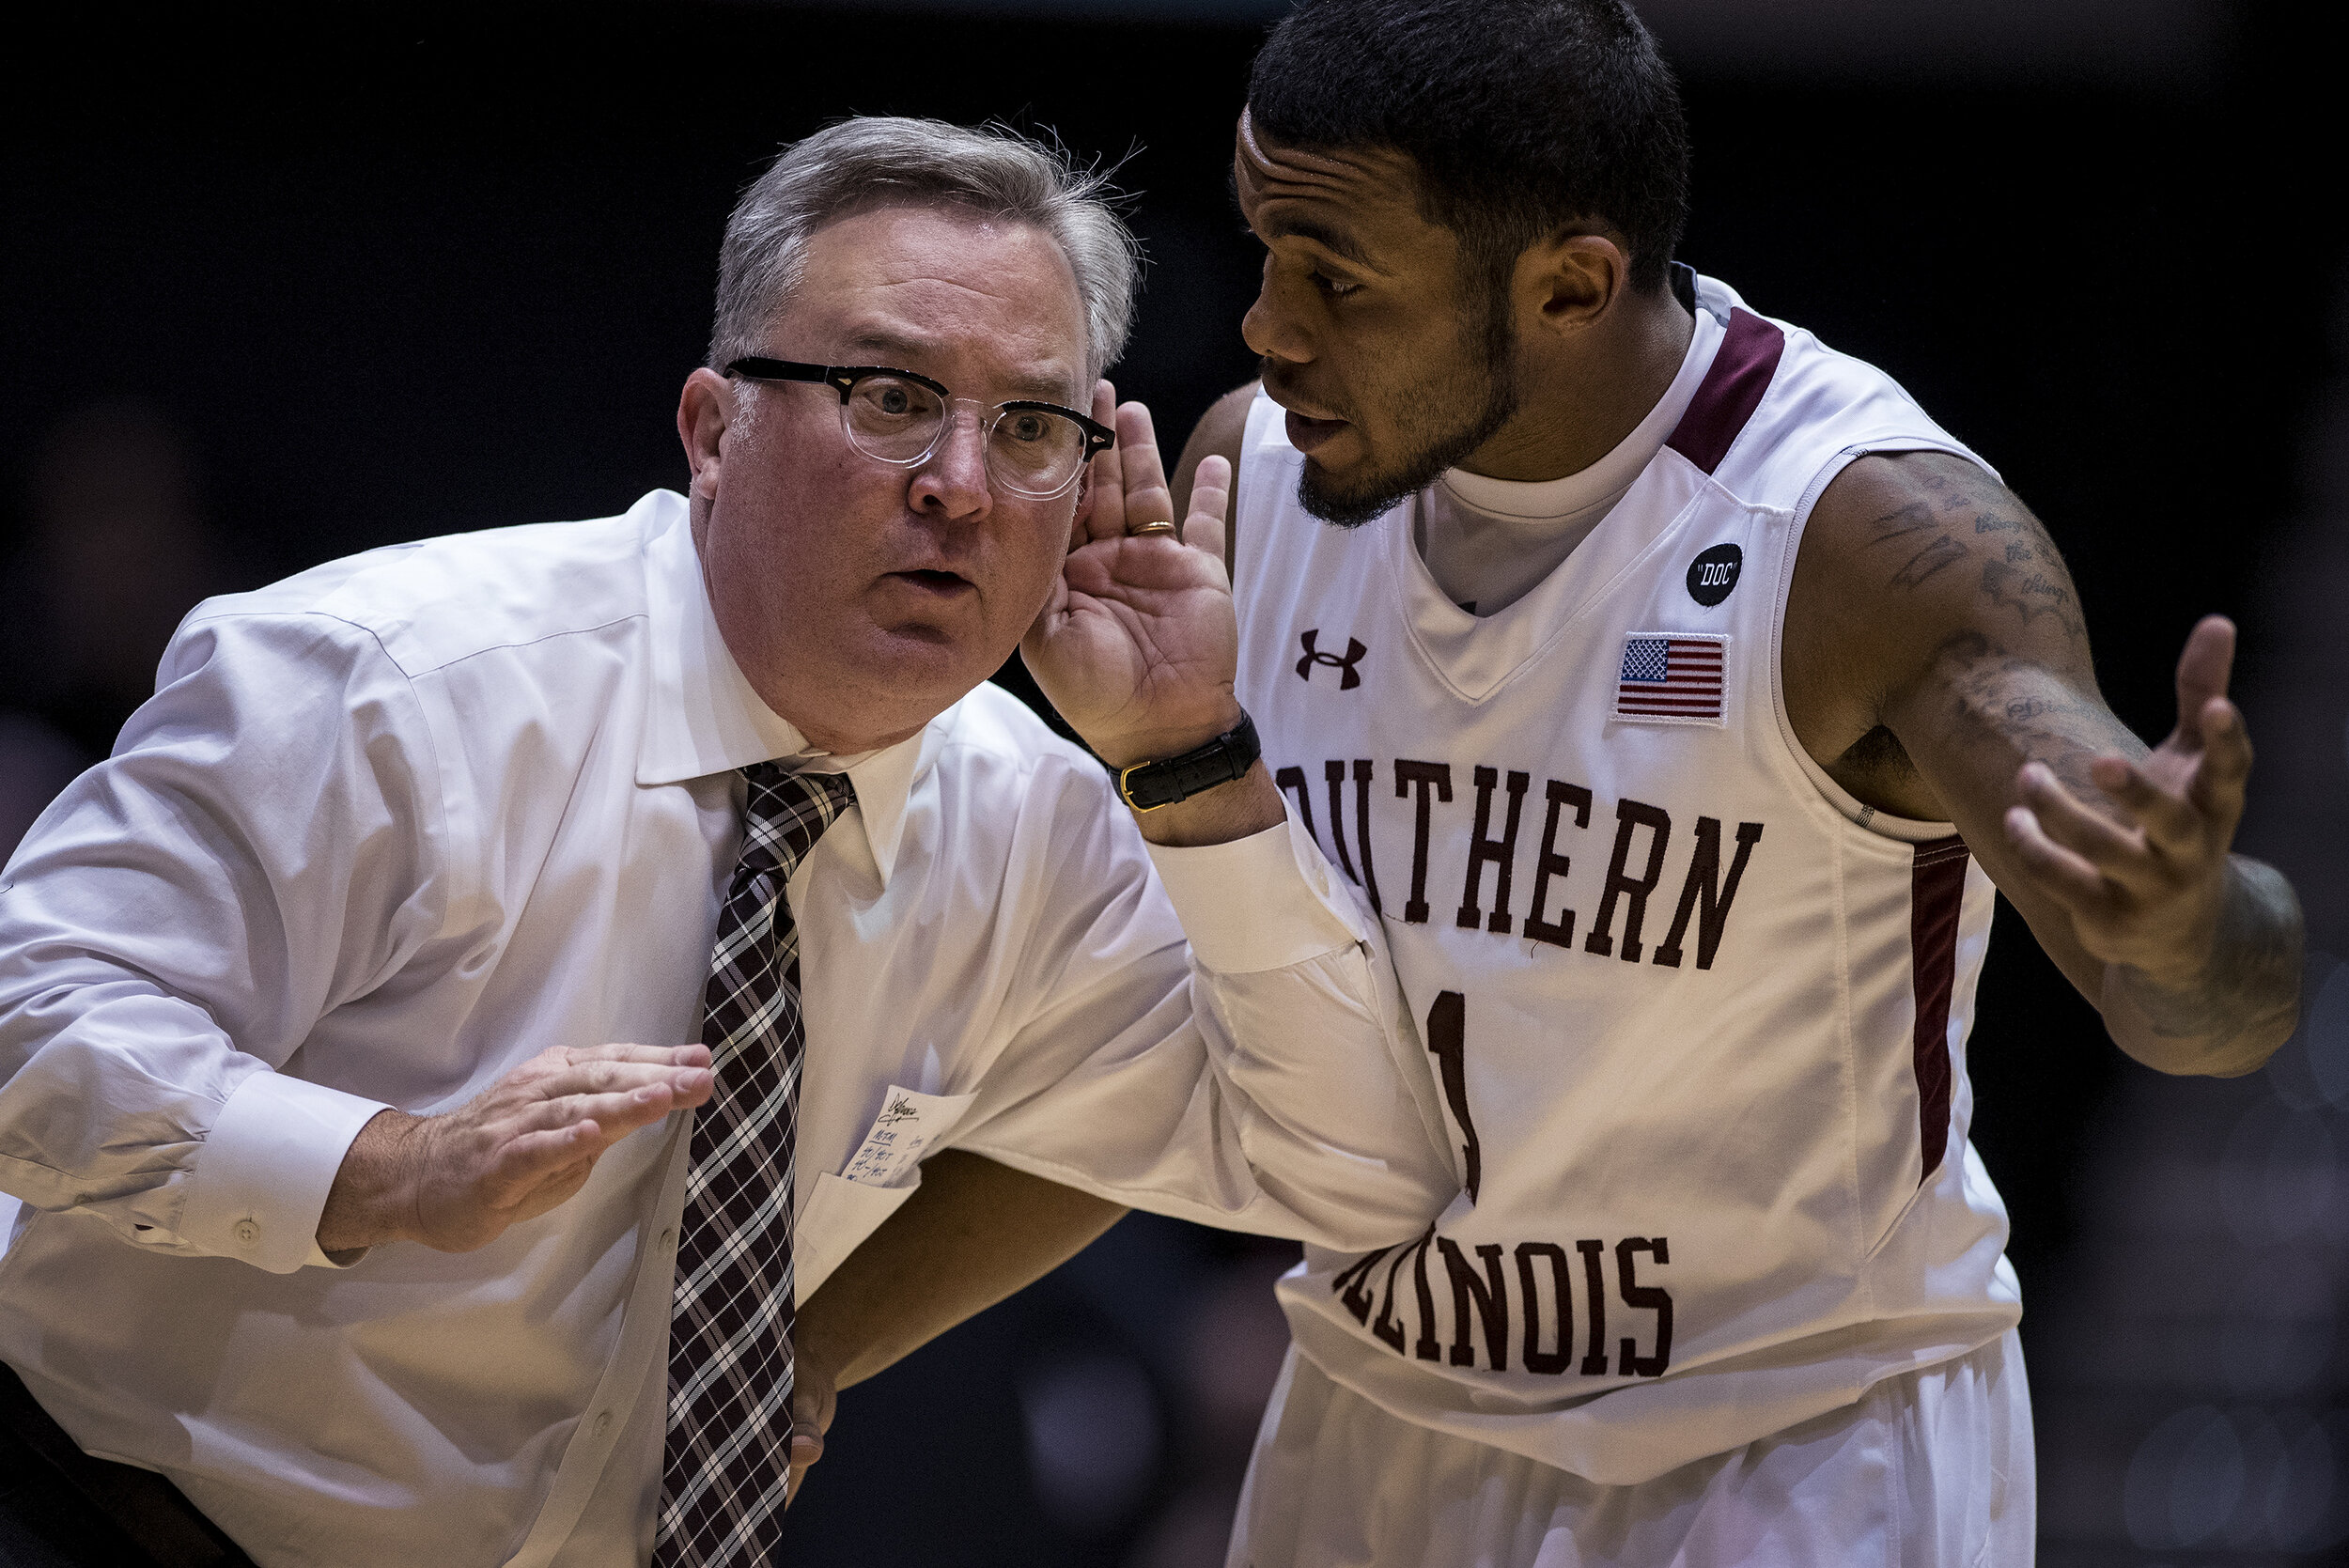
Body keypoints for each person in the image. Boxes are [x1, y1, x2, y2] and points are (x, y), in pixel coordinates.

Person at [0, 116, 1453, 1568]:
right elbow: (31, 1020)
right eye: (890, 397)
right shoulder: (385, 682)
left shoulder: (1035, 820)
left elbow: (1351, 1173)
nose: (959, 480)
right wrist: (387, 1167)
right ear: (713, 429)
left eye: (1029, 428)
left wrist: (1190, 760)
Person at [1018, 2, 2308, 1561]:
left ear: (1569, 283)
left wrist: (2184, 920)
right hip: (1376, 1414)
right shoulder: (1254, 484)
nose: (1268, 324)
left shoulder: (1864, 539)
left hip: (1788, 1447)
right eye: (1266, 250)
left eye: (1335, 277)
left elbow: (2206, 1011)